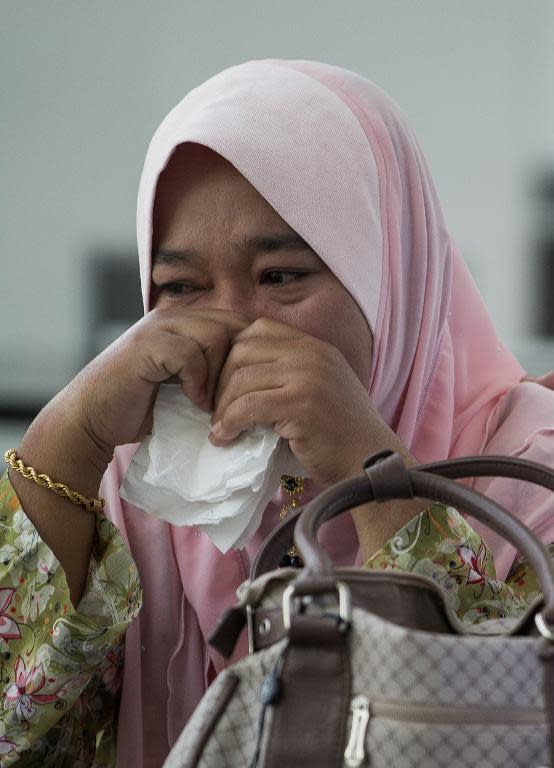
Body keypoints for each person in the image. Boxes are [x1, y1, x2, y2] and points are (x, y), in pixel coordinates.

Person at [2, 59, 554, 767]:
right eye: (181, 288)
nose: (230, 329)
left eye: (281, 277)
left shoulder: (529, 484)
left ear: (387, 274)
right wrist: (67, 435)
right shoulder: (133, 490)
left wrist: (370, 469)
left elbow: (491, 740)